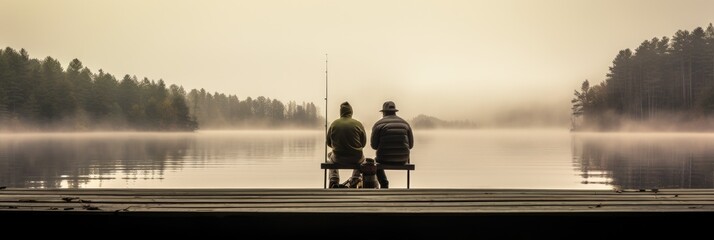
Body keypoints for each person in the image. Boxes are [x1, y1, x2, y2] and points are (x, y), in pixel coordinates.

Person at [370, 101, 414, 189]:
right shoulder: (405, 124)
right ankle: (408, 188)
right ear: (395, 112)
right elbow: (411, 145)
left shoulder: (378, 124)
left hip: (383, 159)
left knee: (374, 160)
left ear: (384, 113)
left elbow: (374, 146)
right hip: (402, 159)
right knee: (407, 156)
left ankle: (384, 183)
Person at [326, 101, 367, 188]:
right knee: (363, 159)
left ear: (341, 112)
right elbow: (363, 144)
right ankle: (355, 178)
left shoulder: (334, 124)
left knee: (330, 156)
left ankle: (334, 180)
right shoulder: (358, 124)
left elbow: (329, 143)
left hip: (338, 158)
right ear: (351, 112)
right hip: (356, 158)